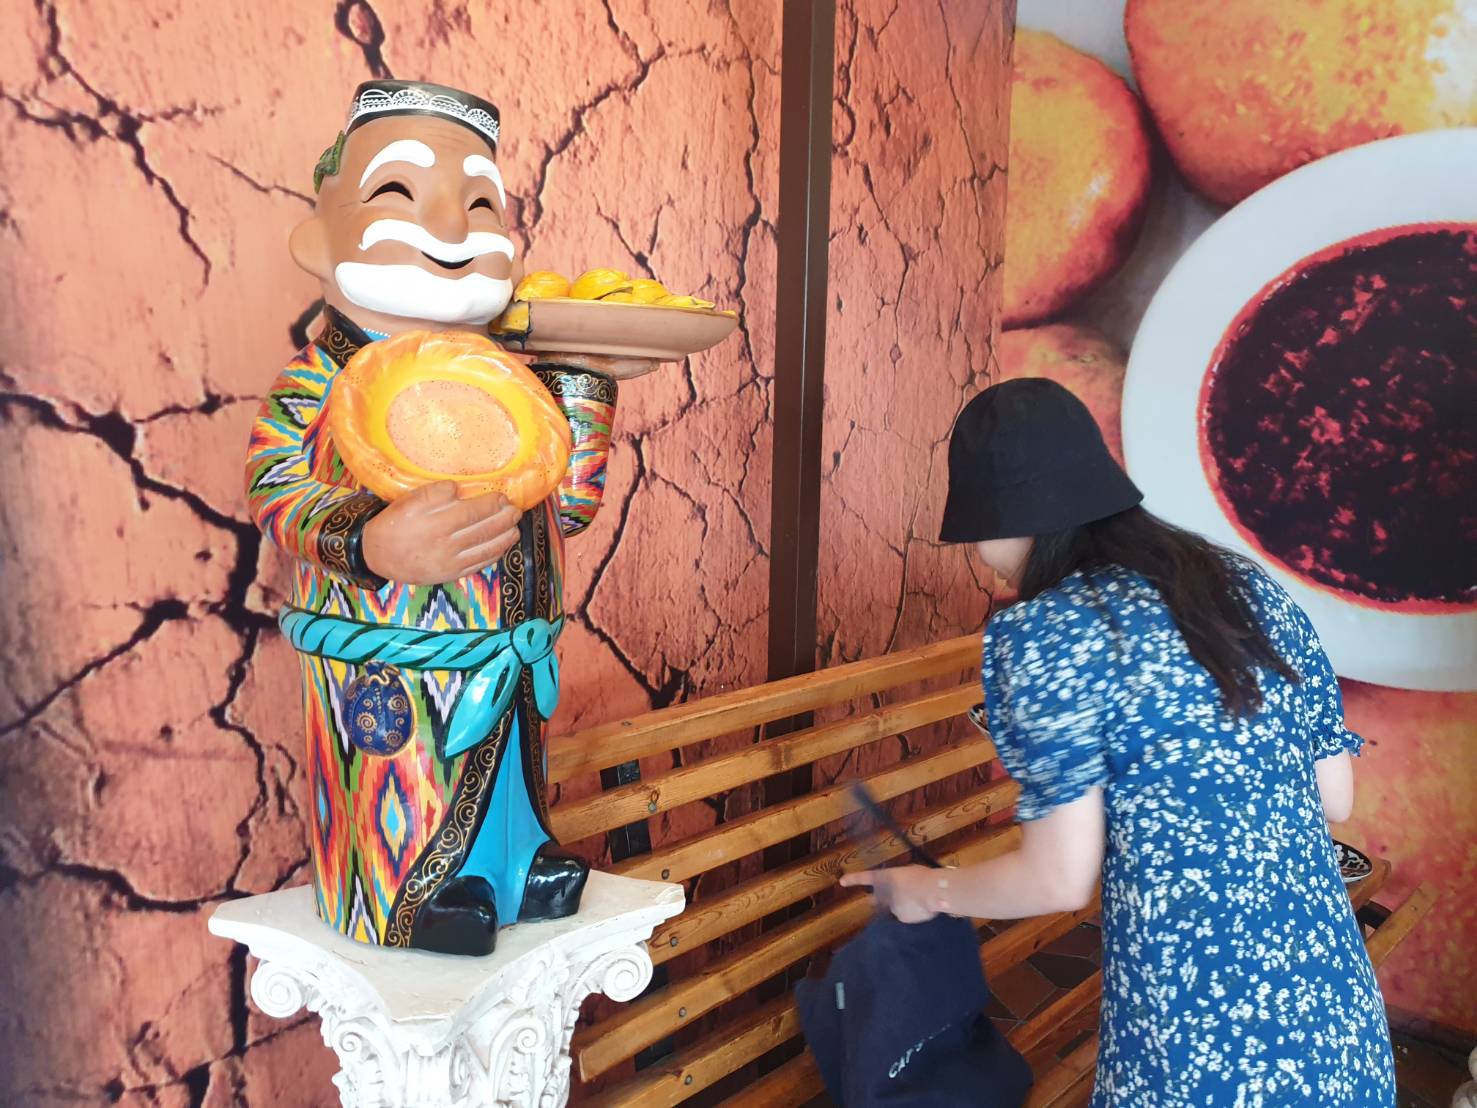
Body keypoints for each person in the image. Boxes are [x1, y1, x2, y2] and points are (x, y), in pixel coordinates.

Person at [843, 378, 1395, 1105]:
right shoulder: (1244, 588)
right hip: (1337, 1020)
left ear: (1002, 519)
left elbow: (1057, 880)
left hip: (1199, 1044)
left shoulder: (1048, 631)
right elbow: (1334, 798)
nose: (980, 553)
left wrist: (924, 891)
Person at [245, 80, 671, 954]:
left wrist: (583, 381)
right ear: (318, 239)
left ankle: (514, 863)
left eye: (480, 204)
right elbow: (274, 479)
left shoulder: (510, 380)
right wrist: (366, 539)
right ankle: (411, 893)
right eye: (400, 193)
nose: (450, 225)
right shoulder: (318, 380)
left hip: (510, 652)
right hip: (388, 666)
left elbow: (568, 506)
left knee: (505, 766)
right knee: (405, 771)